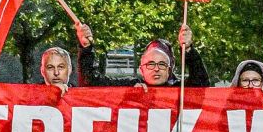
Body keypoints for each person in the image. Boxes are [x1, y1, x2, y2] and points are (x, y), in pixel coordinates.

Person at [76, 23, 210, 88]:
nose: (156, 69)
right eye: (150, 64)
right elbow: (91, 83)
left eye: (162, 64)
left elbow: (201, 84)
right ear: (141, 69)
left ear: (170, 69)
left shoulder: (179, 90)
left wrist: (188, 50)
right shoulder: (131, 86)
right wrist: (86, 48)